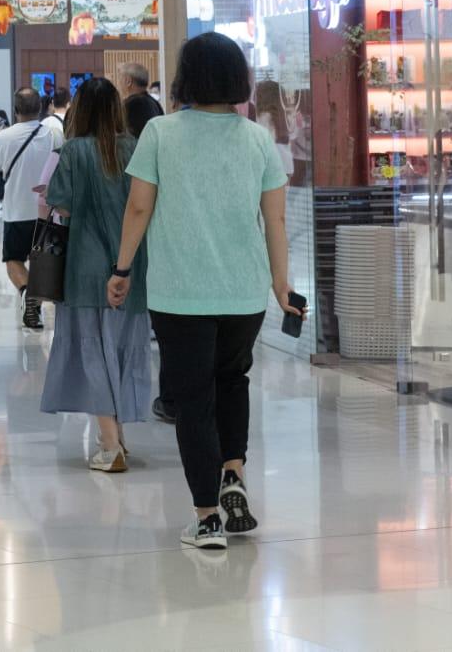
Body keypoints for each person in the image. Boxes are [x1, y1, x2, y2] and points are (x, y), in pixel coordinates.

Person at [109, 33, 301, 551]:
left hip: (180, 294)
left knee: (193, 402)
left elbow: (138, 209)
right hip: (243, 294)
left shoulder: (160, 133)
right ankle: (232, 473)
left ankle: (207, 516)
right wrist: (281, 287)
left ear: (185, 77)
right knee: (232, 381)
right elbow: (275, 219)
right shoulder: (258, 139)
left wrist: (122, 267)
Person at [39, 78, 150, 473]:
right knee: (120, 350)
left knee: (92, 351)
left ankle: (108, 441)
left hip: (84, 265)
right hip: (131, 264)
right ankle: (119, 436)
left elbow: (60, 207)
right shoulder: (135, 148)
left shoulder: (72, 151)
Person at [0, 88, 63, 330]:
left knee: (14, 260)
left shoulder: (4, 137)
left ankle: (27, 292)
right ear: (40, 108)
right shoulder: (54, 134)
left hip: (16, 211)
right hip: (50, 212)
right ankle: (36, 304)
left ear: (16, 110)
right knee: (45, 263)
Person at [120, 62, 164, 140]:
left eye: (121, 79)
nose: (119, 83)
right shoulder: (155, 103)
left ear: (128, 81)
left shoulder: (130, 105)